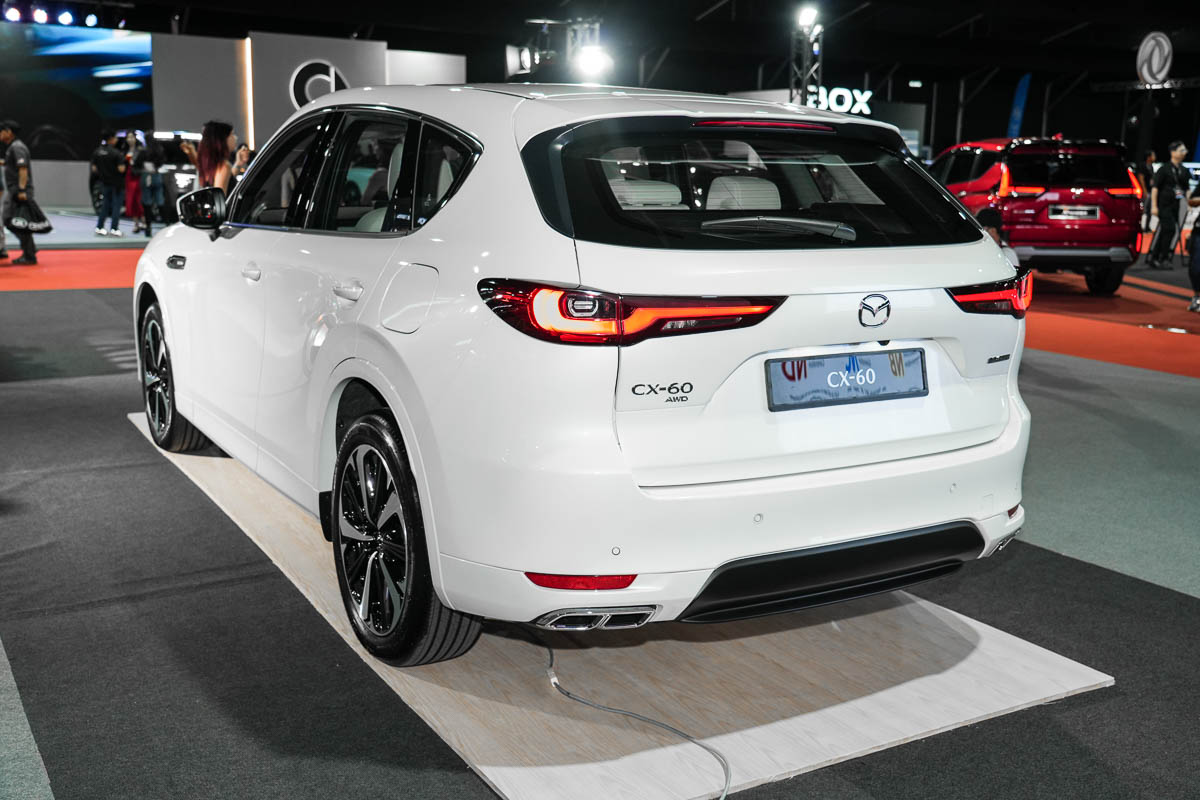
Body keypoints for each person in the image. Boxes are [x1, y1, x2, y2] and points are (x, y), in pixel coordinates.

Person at [1147, 141, 1189, 270]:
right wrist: (1154, 206)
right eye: (1181, 150)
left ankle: (1155, 257)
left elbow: (1186, 189)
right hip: (1163, 205)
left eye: (1185, 150)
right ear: (1173, 152)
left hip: (1176, 205)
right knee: (1169, 229)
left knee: (1167, 231)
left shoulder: (1183, 170)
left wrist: (1190, 202)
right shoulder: (1164, 169)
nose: (1184, 153)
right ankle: (1163, 258)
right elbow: (1155, 188)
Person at [1, 119, 37, 265]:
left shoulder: (17, 147)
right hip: (15, 190)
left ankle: (29, 253)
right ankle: (29, 251)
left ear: (8, 132)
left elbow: (23, 169)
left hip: (18, 191)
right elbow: (14, 165)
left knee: (11, 220)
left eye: (1, 131)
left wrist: (22, 190)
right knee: (16, 221)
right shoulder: (13, 147)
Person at [195, 120, 248, 194]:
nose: (235, 138)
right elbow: (220, 198)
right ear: (222, 140)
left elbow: (225, 179)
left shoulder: (210, 165)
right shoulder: (223, 166)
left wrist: (239, 163)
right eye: (231, 134)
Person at [90, 129, 126, 237]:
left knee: (105, 205)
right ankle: (114, 229)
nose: (116, 139)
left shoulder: (97, 152)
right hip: (117, 184)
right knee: (116, 206)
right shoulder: (116, 153)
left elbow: (94, 168)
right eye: (115, 137)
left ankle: (99, 227)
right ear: (111, 139)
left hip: (104, 182)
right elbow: (121, 169)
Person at [135, 132, 167, 237]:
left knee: (147, 202)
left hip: (146, 176)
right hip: (156, 175)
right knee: (160, 201)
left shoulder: (144, 151)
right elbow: (162, 161)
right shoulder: (159, 150)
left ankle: (148, 227)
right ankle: (166, 224)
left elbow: (136, 164)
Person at [123, 131, 145, 234]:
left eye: (132, 137)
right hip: (129, 176)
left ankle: (144, 222)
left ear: (135, 138)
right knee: (131, 201)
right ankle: (136, 224)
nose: (130, 139)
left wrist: (133, 161)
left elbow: (143, 164)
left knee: (139, 200)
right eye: (128, 137)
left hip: (138, 176)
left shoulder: (140, 149)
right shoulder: (124, 149)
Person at [1138, 149, 1156, 232]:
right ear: (1148, 157)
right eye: (1153, 155)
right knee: (1142, 209)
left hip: (1150, 190)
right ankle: (1139, 226)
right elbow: (1141, 178)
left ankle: (1147, 227)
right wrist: (1144, 190)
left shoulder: (1151, 166)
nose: (1154, 157)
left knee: (1149, 210)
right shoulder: (1143, 165)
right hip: (1145, 191)